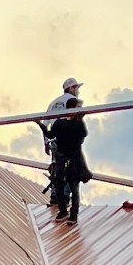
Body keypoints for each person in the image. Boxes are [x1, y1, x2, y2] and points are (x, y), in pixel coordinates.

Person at [43, 79, 89, 225]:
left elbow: (46, 123)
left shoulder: (54, 103)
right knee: (72, 176)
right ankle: (67, 204)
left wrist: (46, 142)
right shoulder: (74, 102)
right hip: (69, 142)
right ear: (71, 89)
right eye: (76, 88)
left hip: (56, 141)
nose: (78, 91)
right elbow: (81, 130)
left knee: (58, 172)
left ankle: (57, 199)